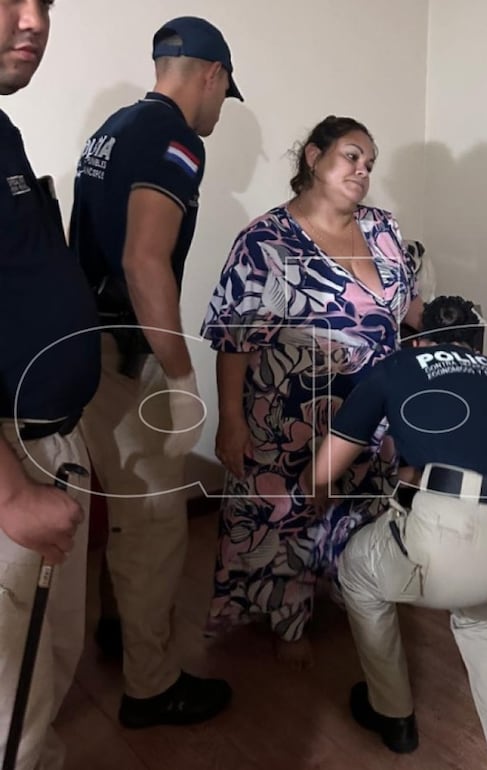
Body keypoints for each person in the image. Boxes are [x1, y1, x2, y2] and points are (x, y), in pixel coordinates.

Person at [302, 296, 487, 770]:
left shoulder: (397, 366)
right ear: (475, 345)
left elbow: (323, 471)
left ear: (419, 340)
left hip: (461, 544)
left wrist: (316, 490)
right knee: (479, 610)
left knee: (358, 571)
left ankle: (392, 715)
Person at [68, 16, 242, 728]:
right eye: (223, 93)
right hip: (125, 353)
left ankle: (117, 629)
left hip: (84, 343)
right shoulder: (176, 140)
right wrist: (180, 375)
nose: (219, 109)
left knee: (122, 505)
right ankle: (152, 686)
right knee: (154, 521)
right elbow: (144, 262)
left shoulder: (111, 129)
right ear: (212, 75)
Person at [201, 115, 424, 669]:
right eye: (351, 155)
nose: (363, 169)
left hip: (370, 416)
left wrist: (447, 331)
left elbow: (409, 309)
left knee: (360, 515)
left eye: (369, 162)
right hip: (287, 419)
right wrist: (231, 420)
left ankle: (354, 595)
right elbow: (234, 339)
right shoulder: (266, 240)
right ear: (314, 157)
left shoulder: (383, 229)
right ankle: (287, 620)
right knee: (285, 520)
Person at [0, 1, 100, 767]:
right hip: (14, 463)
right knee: (10, 702)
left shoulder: (3, 131)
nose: (33, 21)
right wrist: (10, 495)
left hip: (49, 442)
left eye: (46, 2)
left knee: (41, 681)